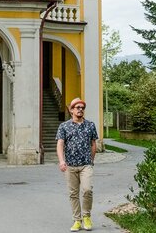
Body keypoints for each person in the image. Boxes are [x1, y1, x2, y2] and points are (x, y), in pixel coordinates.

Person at [56, 97, 99, 232]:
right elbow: (60, 144)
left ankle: (86, 216)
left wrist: (91, 160)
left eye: (82, 108)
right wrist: (62, 161)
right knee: (73, 193)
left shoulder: (90, 125)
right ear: (71, 110)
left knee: (87, 190)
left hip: (86, 164)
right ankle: (77, 220)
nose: (80, 110)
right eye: (77, 107)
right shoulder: (64, 126)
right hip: (70, 165)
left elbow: (93, 144)